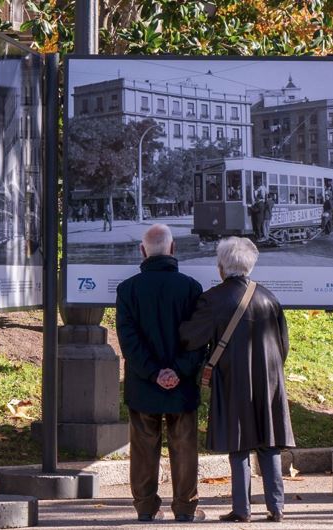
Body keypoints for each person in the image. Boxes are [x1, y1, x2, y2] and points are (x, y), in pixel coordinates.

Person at [179, 237, 295, 523]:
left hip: (234, 379)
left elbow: (191, 337)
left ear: (221, 266)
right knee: (269, 442)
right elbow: (284, 344)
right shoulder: (269, 297)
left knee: (239, 442)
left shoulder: (214, 299)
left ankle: (242, 509)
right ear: (249, 265)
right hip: (269, 380)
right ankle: (276, 507)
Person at [116, 224, 206, 523]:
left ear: (143, 251)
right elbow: (197, 340)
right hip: (182, 386)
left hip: (144, 385)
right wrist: (177, 371)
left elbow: (128, 340)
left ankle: (144, 506)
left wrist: (154, 373)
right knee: (184, 447)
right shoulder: (191, 288)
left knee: (143, 448)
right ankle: (185, 507)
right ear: (173, 248)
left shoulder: (128, 289)